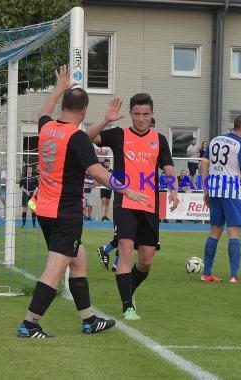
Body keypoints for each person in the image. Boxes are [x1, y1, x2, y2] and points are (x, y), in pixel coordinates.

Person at [16, 65, 147, 339]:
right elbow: (98, 172)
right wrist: (128, 191)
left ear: (64, 105)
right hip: (65, 214)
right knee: (55, 269)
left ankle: (88, 320)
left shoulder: (47, 127)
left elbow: (43, 112)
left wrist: (58, 87)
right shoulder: (76, 138)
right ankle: (29, 324)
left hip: (44, 210)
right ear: (84, 111)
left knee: (79, 260)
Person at [87, 93, 179, 321]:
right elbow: (85, 137)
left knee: (146, 261)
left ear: (152, 114)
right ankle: (128, 307)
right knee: (126, 252)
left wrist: (174, 191)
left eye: (145, 114)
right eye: (136, 114)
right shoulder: (119, 135)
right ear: (130, 114)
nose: (141, 119)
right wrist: (106, 119)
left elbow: (168, 168)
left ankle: (130, 292)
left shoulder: (159, 139)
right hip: (124, 202)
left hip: (149, 205)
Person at [199, 115, 241, 284]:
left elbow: (204, 164)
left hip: (215, 191)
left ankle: (207, 273)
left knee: (214, 233)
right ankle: (233, 275)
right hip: (232, 192)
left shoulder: (215, 140)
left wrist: (206, 189)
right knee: (234, 234)